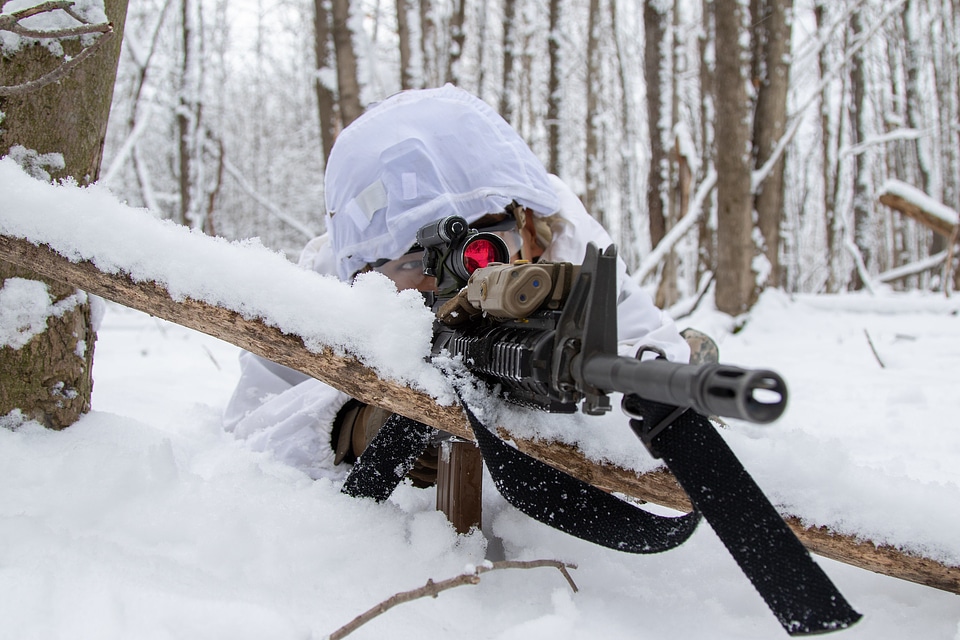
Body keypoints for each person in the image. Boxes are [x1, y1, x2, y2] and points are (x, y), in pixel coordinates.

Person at [222, 85, 692, 482]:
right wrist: (355, 424)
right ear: (366, 272)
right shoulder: (328, 287)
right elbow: (250, 433)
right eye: (415, 262)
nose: (456, 283)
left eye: (484, 248)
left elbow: (658, 359)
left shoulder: (568, 248)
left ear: (526, 224)